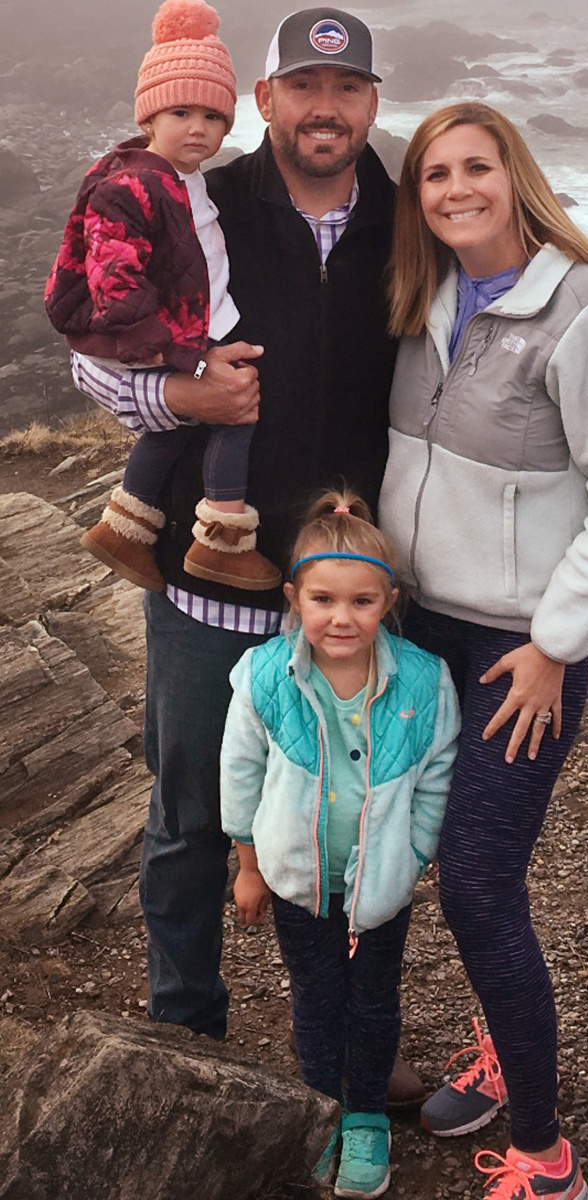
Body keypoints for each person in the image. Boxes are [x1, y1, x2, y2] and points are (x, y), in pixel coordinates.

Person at [69, 7, 424, 1105]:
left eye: (349, 89)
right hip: (200, 582)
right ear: (262, 101)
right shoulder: (196, 198)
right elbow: (89, 349)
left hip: (345, 596)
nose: (327, 109)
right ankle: (187, 1040)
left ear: (371, 103)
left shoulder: (409, 221)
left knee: (353, 826)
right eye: (305, 89)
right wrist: (182, 392)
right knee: (184, 822)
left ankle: (352, 1056)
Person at [379, 101, 588, 1199]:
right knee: (421, 867)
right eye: (432, 175)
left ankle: (547, 1158)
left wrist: (554, 644)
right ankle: (504, 1043)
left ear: (515, 175)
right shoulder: (426, 298)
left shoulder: (586, 311)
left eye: (473, 168)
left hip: (513, 655)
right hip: (417, 633)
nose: (453, 189)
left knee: (479, 889)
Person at [220, 491, 460, 1198]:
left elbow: (438, 776)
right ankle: (322, 1109)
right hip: (297, 881)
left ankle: (366, 1122)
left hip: (379, 888)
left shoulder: (422, 679)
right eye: (323, 599)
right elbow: (240, 769)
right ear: (294, 598)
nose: (341, 617)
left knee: (374, 1000)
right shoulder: (265, 676)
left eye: (361, 601)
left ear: (387, 601)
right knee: (316, 998)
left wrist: (413, 854)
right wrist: (248, 865)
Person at [45, 0, 281, 594]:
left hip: (167, 334)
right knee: (236, 408)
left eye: (213, 115)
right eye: (181, 111)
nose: (199, 128)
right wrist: (183, 356)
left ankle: (126, 526)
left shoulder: (181, 178)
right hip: (150, 338)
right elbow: (114, 283)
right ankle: (223, 535)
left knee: (176, 425)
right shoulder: (134, 182)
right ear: (150, 115)